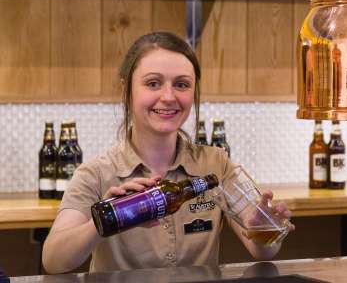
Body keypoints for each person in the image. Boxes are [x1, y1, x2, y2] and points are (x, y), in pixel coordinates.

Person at [42, 32, 294, 274]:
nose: (168, 96)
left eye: (182, 84)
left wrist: (265, 228)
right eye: (153, 83)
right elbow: (54, 260)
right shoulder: (96, 174)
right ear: (127, 90)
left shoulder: (216, 164)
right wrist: (103, 221)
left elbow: (262, 251)